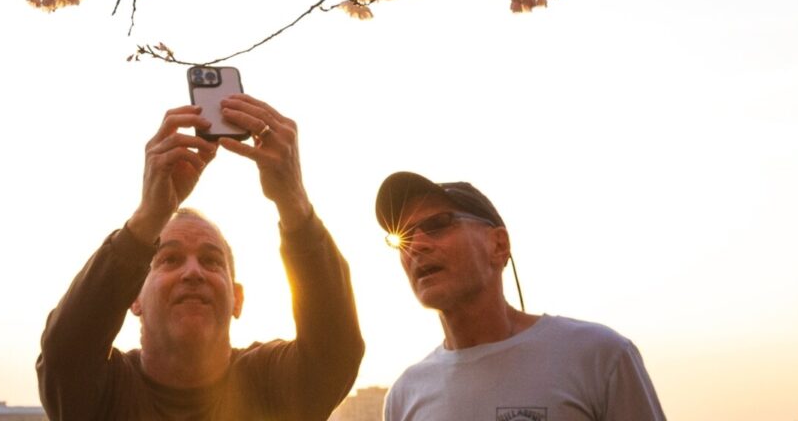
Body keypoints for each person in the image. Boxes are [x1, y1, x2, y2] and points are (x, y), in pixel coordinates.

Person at [38, 96, 364, 421]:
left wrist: (293, 199)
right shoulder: (104, 392)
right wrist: (148, 218)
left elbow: (335, 350)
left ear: (237, 299)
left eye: (211, 261)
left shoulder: (271, 383)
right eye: (169, 260)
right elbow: (64, 353)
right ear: (134, 298)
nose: (193, 272)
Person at [374, 172, 667, 421]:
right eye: (405, 237)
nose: (417, 245)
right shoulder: (405, 395)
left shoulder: (600, 356)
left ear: (498, 245)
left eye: (438, 224)